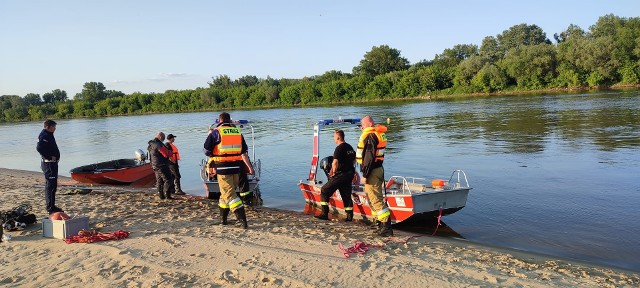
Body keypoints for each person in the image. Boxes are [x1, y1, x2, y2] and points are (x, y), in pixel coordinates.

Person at [203, 112, 249, 229]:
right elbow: (244, 149)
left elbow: (206, 150)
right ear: (229, 120)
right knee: (225, 196)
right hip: (237, 167)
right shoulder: (238, 132)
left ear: (219, 120)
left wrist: (215, 154)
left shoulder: (216, 132)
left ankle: (243, 221)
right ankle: (223, 220)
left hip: (223, 168)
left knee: (230, 195)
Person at [356, 115, 393, 237]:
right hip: (377, 169)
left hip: (372, 171)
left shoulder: (371, 136)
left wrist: (365, 174)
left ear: (367, 125)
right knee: (371, 197)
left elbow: (369, 157)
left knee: (375, 199)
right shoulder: (376, 134)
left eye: (361, 125)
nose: (361, 128)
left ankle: (386, 227)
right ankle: (378, 223)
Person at [316, 130, 356, 222]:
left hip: (340, 175)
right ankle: (349, 217)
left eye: (334, 137)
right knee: (346, 195)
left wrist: (333, 172)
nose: (334, 139)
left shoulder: (339, 148)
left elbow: (335, 162)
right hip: (349, 174)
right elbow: (354, 160)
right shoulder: (349, 147)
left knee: (324, 190)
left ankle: (324, 214)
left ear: (338, 138)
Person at [36, 119, 63, 215]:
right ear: (48, 127)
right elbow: (39, 148)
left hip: (52, 163)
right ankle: (50, 208)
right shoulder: (44, 135)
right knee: (50, 186)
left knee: (53, 185)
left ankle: (52, 205)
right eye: (53, 127)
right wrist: (48, 156)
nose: (55, 128)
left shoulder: (49, 135)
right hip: (49, 164)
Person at [148, 132, 174, 200]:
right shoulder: (158, 144)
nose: (163, 139)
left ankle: (161, 196)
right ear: (160, 137)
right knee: (168, 179)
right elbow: (166, 154)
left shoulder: (151, 144)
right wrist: (171, 152)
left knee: (159, 181)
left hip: (154, 165)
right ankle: (167, 195)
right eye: (163, 138)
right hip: (161, 165)